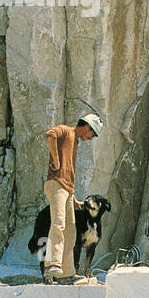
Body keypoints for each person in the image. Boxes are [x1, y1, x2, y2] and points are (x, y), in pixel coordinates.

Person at [43, 113, 103, 283]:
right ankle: (52, 264)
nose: (91, 138)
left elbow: (68, 173)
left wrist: (73, 196)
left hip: (66, 189)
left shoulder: (75, 142)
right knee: (59, 223)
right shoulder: (66, 131)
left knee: (70, 230)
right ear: (87, 127)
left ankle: (66, 273)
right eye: (92, 134)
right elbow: (50, 135)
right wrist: (56, 159)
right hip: (56, 184)